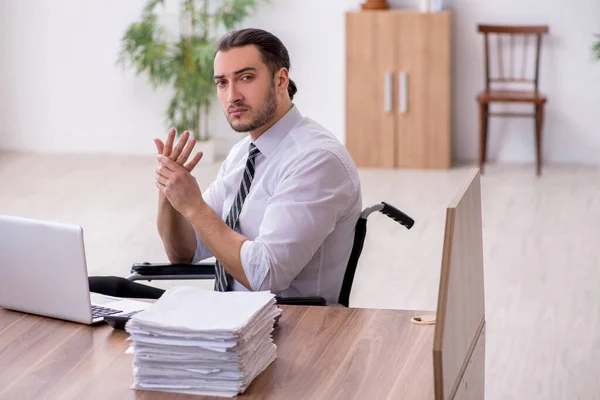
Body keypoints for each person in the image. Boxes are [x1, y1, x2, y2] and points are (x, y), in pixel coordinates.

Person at [89, 28, 362, 305]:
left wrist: (194, 206)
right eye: (222, 83)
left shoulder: (316, 159)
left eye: (246, 78)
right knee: (99, 290)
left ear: (280, 80)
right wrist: (169, 191)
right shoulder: (243, 153)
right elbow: (183, 252)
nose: (232, 96)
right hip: (231, 315)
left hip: (286, 326)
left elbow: (266, 277)